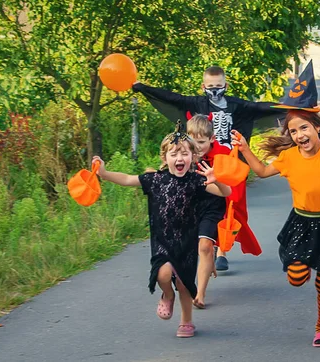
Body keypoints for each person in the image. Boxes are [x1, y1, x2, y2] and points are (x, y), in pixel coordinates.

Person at [232, 61, 320, 347]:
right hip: (301, 222)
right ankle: (304, 267)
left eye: (304, 127)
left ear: (318, 127)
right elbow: (261, 172)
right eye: (294, 132)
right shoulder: (289, 157)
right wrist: (245, 150)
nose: (299, 135)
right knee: (296, 277)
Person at [133, 65, 283, 271]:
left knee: (233, 205)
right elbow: (171, 98)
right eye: (210, 86)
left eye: (219, 86)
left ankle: (222, 250)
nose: (214, 90)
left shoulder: (236, 105)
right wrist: (142, 88)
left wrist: (295, 108)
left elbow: (262, 108)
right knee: (202, 203)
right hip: (203, 161)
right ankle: (208, 243)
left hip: (230, 163)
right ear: (203, 86)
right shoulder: (196, 103)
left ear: (226, 85)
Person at [91, 123, 231, 338]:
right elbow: (128, 179)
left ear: (193, 158)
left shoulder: (197, 181)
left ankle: (186, 322)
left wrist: (217, 180)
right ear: (165, 158)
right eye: (174, 154)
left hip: (187, 241)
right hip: (162, 240)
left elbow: (225, 192)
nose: (179, 158)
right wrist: (104, 173)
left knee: (184, 284)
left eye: (185, 153)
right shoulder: (155, 180)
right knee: (163, 274)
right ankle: (167, 295)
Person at [186, 113, 259, 309]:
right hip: (190, 207)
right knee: (191, 249)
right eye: (192, 141)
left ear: (211, 139)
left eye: (201, 141)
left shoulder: (222, 155)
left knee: (204, 246)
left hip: (215, 205)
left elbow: (234, 185)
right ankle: (208, 262)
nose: (197, 146)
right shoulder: (183, 153)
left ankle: (200, 294)